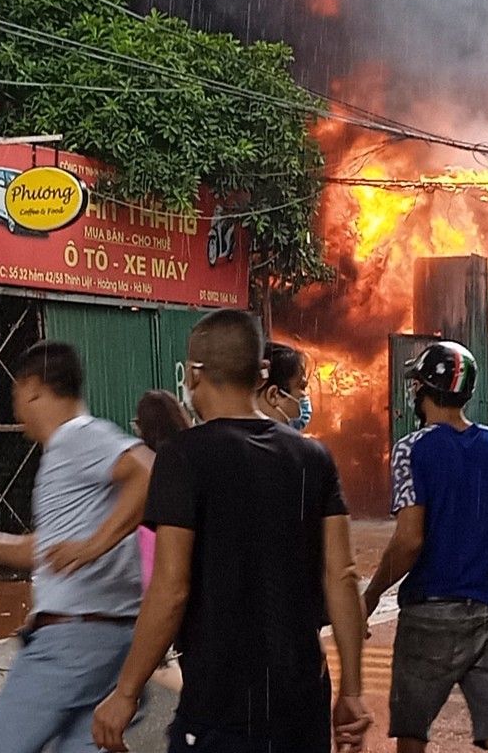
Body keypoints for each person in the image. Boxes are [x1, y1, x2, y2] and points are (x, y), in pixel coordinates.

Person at [92, 309, 371, 753]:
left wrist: (126, 692)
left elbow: (170, 589)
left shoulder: (184, 457)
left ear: (196, 375)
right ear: (259, 375)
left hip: (221, 703)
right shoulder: (313, 458)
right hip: (301, 701)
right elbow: (342, 576)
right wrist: (352, 691)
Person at [0, 340, 155, 753]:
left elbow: (148, 471)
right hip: (111, 642)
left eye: (16, 394)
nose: (16, 409)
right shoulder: (72, 452)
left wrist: (94, 546)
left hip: (71, 642)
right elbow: (50, 548)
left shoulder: (77, 438)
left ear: (33, 387)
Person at [362, 341, 488, 753]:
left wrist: (371, 595)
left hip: (429, 615)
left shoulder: (411, 449)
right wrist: (482, 550)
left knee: (412, 737)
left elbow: (409, 540)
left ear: (422, 391)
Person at [131, 389, 191, 694]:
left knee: (158, 664)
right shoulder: (193, 458)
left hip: (160, 579)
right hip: (191, 579)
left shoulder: (147, 468)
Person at [256, 342, 312, 431]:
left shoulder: (230, 440)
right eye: (302, 387)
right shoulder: (292, 444)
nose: (306, 396)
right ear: (273, 395)